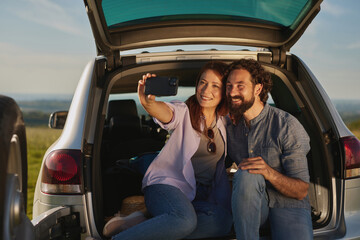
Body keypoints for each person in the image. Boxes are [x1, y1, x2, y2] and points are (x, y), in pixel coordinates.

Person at [103, 61, 233, 240]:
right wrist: (148, 103)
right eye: (203, 82)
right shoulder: (184, 112)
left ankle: (146, 225)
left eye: (215, 85)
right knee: (185, 221)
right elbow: (166, 112)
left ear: (224, 91)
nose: (205, 90)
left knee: (223, 221)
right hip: (166, 186)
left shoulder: (224, 121)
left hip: (199, 195)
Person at [225, 59, 313, 240]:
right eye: (229, 86)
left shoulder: (286, 125)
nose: (232, 92)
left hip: (289, 205)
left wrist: (268, 172)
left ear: (258, 89)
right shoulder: (229, 127)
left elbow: (301, 191)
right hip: (251, 209)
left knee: (251, 171)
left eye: (240, 86)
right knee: (247, 174)